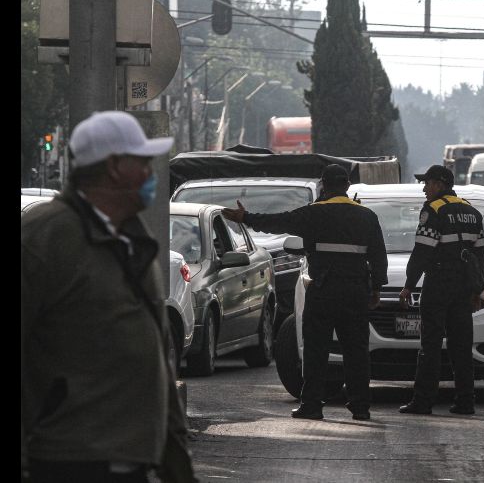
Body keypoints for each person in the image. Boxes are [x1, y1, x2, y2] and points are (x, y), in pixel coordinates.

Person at [21, 111, 196, 482]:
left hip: (132, 463)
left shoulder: (133, 241)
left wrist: (177, 464)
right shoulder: (44, 237)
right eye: (142, 161)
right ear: (115, 167)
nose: (151, 172)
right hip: (65, 462)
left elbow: (156, 359)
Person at [222, 164, 388, 420]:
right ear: (346, 187)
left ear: (323, 186)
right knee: (356, 350)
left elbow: (278, 222)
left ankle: (312, 405)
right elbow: (378, 256)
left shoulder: (313, 214)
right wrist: (376, 288)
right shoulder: (367, 216)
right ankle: (360, 407)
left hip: (323, 290)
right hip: (355, 292)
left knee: (316, 349)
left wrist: (246, 217)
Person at [398, 165, 484, 416]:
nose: (424, 188)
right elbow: (481, 255)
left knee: (431, 345)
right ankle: (465, 401)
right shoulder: (472, 211)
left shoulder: (434, 210)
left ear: (440, 184)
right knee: (462, 346)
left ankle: (423, 401)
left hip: (438, 284)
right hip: (463, 288)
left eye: (427, 183)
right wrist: (477, 289)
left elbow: (422, 252)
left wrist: (409, 285)